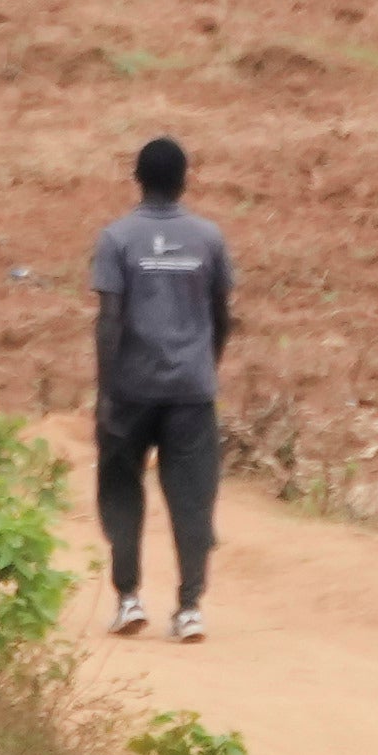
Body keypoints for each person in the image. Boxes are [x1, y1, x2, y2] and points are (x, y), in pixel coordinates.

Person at [86, 133, 236, 642]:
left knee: (122, 491)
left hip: (131, 390)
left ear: (138, 179)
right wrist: (204, 366)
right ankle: (189, 607)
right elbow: (222, 315)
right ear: (183, 180)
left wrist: (105, 393)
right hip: (191, 392)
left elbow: (109, 321)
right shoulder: (208, 239)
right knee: (193, 499)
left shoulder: (117, 239)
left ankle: (128, 599)